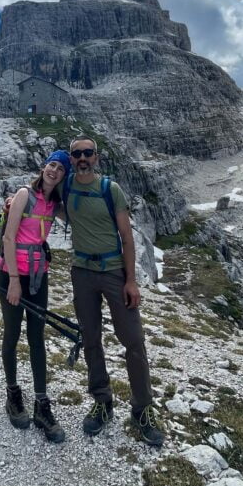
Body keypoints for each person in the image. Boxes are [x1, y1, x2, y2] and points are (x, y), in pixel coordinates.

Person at [65, 135, 164, 447]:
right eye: (77, 153)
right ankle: (102, 401)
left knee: (133, 341)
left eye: (88, 153)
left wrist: (130, 280)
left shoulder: (111, 189)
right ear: (71, 158)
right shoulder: (66, 186)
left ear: (96, 157)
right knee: (91, 338)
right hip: (82, 271)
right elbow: (39, 194)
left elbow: (127, 236)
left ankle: (143, 408)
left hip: (112, 272)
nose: (83, 158)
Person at [0, 150, 71, 444]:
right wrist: (14, 280)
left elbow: (78, 217)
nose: (54, 170)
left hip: (38, 276)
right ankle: (13, 394)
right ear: (44, 167)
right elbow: (8, 238)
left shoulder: (56, 205)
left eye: (60, 169)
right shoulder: (24, 195)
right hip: (12, 275)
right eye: (52, 164)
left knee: (37, 337)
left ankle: (41, 403)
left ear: (64, 176)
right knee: (12, 333)